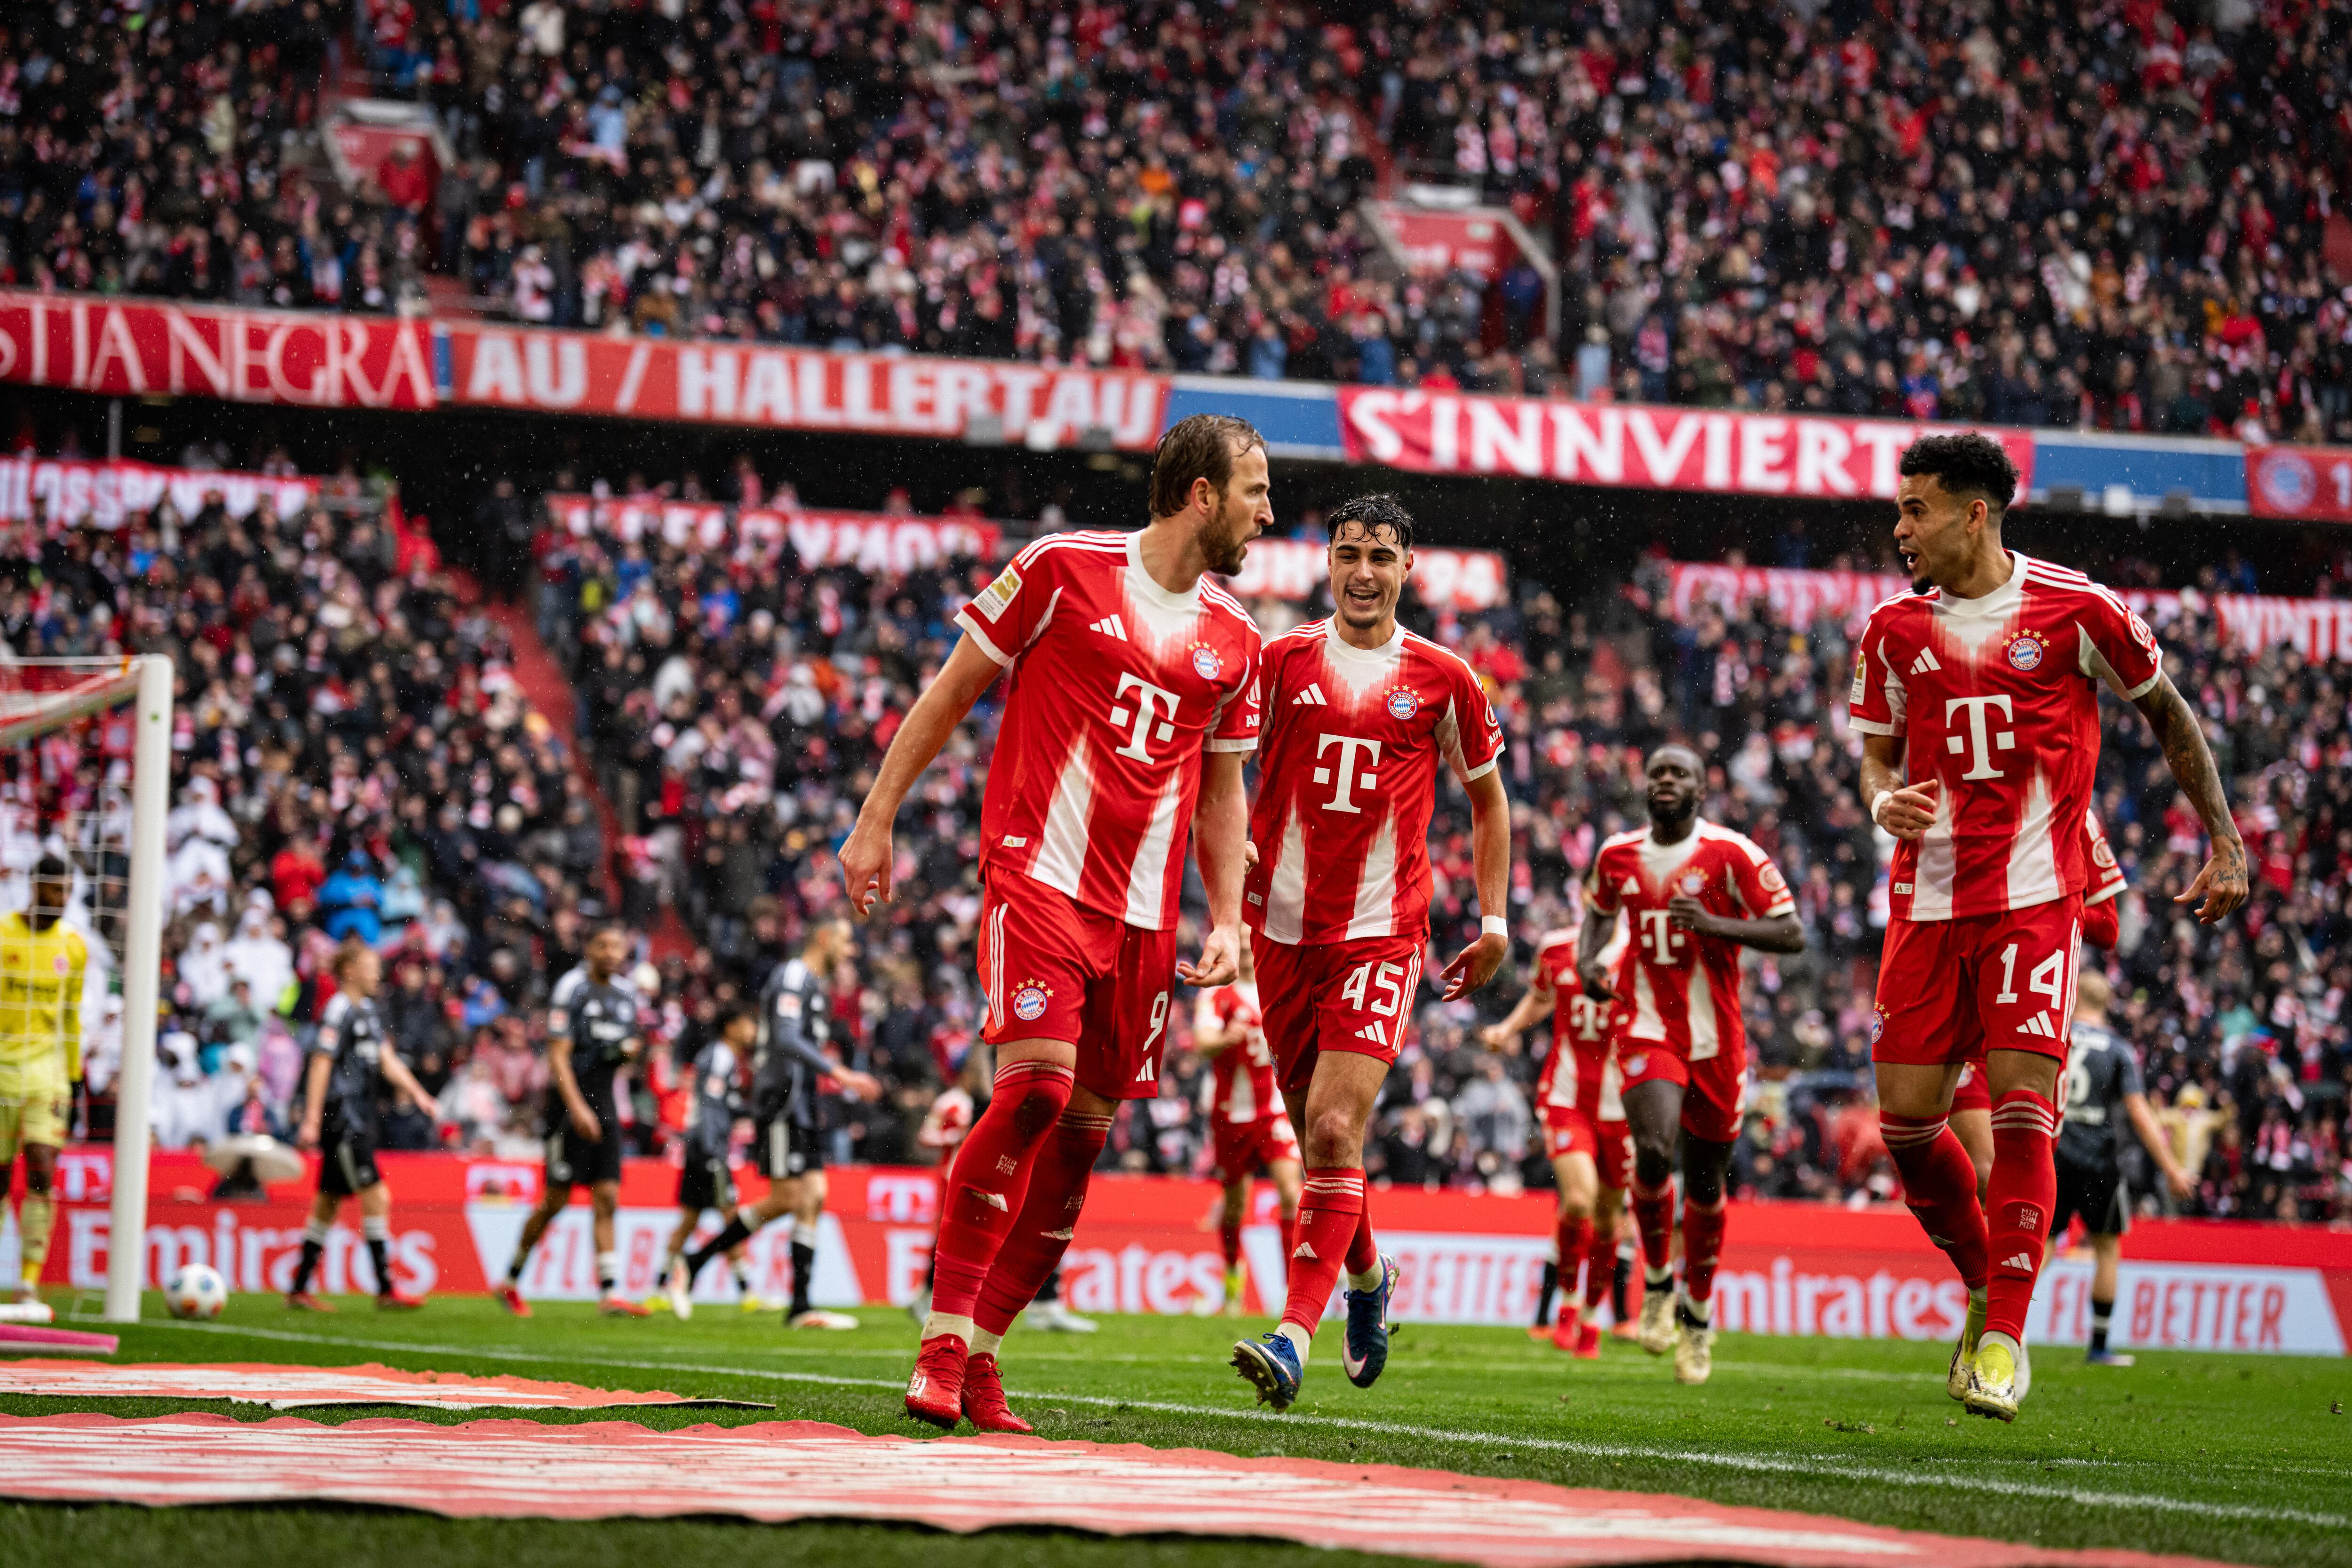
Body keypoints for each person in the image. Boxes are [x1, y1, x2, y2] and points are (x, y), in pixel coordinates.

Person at [839, 413, 1266, 1433]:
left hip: (1144, 918)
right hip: (1038, 879)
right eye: (1254, 490)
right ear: (1201, 493)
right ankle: (940, 1339)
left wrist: (1224, 918)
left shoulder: (1236, 639)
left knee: (1080, 1139)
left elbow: (1221, 793)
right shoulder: (1058, 569)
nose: (1267, 511)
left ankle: (983, 1356)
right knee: (1033, 1090)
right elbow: (950, 695)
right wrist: (875, 817)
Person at [1854, 431, 2245, 1422]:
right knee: (1905, 1127)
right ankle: (1985, 1280)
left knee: (2026, 1103)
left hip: (2035, 896)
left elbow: (2170, 714)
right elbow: (1874, 754)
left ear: (1974, 512)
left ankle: (2004, 1338)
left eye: (1916, 509)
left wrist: (2225, 841)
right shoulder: (1892, 630)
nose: (1900, 528)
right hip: (1926, 900)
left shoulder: (2077, 608)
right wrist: (1880, 799)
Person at [1228, 493, 1511, 1412]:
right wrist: (1223, 843)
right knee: (1322, 1142)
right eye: (1348, 553)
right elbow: (1219, 761)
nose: (1362, 571)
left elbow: (1489, 800)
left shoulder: (1443, 679)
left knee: (1334, 1132)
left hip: (1381, 932)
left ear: (1407, 568)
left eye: (1380, 557)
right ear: (1327, 563)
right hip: (1276, 931)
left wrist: (1496, 919)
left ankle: (1290, 1337)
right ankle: (1368, 1276)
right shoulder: (1278, 663)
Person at [1580, 745, 1803, 1385]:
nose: (1667, 780)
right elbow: (1595, 916)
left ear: (1702, 790)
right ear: (1646, 787)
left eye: (1679, 773)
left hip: (1717, 1039)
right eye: (1658, 773)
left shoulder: (1731, 855)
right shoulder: (1617, 855)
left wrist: (1714, 924)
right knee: (1652, 1149)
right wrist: (1592, 968)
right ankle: (1655, 1282)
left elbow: (1791, 933)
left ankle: (1697, 1318)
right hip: (1646, 1024)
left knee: (1706, 1184)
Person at [665, 919, 881, 1327]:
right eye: (846, 942)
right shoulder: (794, 975)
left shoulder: (814, 986)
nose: (850, 951)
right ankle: (694, 1263)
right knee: (788, 1198)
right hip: (782, 1103)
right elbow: (784, 1038)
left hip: (802, 1103)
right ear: (823, 937)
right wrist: (841, 1072)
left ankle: (800, 1305)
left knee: (814, 1193)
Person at [1948, 809, 2129, 1197]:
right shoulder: (1971, 793)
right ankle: (1988, 1257)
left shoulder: (2078, 814)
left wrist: (2043, 903)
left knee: (2025, 1171)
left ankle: (2008, 1255)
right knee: (1984, 1173)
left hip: (2036, 1007)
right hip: (1973, 1007)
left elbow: (2109, 925)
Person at [1482, 921, 1630, 1355]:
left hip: (1623, 1105)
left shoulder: (1638, 954)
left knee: (1608, 1221)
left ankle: (1590, 1316)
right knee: (1579, 1201)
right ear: (1587, 896)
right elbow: (1543, 997)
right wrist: (1507, 1030)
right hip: (1567, 1097)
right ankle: (1566, 1304)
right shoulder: (1557, 947)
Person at [495, 923, 652, 1317]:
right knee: (555, 1200)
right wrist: (577, 1107)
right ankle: (510, 1280)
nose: (612, 952)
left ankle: (610, 1292)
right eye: (604, 944)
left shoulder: (626, 994)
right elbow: (559, 1055)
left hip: (607, 1105)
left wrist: (625, 1053)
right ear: (591, 948)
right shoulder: (572, 988)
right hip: (568, 1108)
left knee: (608, 1197)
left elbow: (618, 1051)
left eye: (618, 945)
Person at [2050, 971, 2194, 1366]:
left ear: (2074, 997)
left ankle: (2011, 1330)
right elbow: (2139, 1113)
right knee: (2107, 1249)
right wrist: (2171, 1168)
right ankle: (2098, 1347)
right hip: (2099, 1161)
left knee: (2040, 1246)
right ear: (2107, 1002)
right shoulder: (2118, 1048)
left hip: (2055, 1154)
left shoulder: (2057, 1038)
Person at [287, 942, 438, 1310]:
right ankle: (386, 1288)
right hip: (342, 1117)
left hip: (360, 1116)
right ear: (351, 971)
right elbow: (321, 1063)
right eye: (371, 967)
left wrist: (419, 1094)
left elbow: (387, 1060)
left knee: (328, 1202)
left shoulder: (368, 1011)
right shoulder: (339, 1009)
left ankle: (298, 1289)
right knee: (378, 1196)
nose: (378, 973)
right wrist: (311, 1118)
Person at [1193, 936, 1302, 1315]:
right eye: (1236, 936)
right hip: (1230, 1115)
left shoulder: (1277, 983)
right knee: (1236, 1206)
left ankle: (1294, 1293)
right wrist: (1225, 1039)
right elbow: (1201, 1041)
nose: (1243, 944)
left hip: (1274, 1111)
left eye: (1247, 936)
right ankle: (1231, 1278)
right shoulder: (1217, 993)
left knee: (1291, 1192)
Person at [0, 855, 84, 1304]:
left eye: (67, 891)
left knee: (41, 1171)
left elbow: (71, 1020)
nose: (62, 899)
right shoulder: (3, 934)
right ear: (36, 886)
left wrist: (74, 1081)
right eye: (55, 890)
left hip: (46, 1078)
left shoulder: (73, 946)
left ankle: (29, 1282)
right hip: (1, 1075)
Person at [655, 1006, 760, 1313]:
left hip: (701, 1146)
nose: (751, 1030)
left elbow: (720, 1105)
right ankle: (746, 1291)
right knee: (732, 1217)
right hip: (708, 1148)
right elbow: (712, 1107)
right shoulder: (720, 1057)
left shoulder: (721, 1057)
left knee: (690, 1218)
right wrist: (715, 1149)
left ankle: (660, 1286)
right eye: (747, 1023)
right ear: (730, 1027)